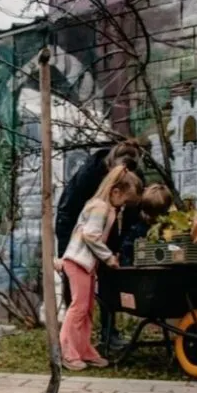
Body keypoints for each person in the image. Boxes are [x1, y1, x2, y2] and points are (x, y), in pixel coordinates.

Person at [55, 140, 143, 349]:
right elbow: (68, 211)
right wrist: (68, 251)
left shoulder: (135, 177)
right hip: (79, 228)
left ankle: (108, 332)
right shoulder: (90, 172)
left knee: (109, 278)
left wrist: (122, 249)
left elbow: (132, 215)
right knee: (78, 294)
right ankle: (70, 340)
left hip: (105, 227)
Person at [117, 183, 174, 267]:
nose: (154, 216)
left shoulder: (171, 229)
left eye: (159, 212)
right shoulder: (138, 229)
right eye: (151, 211)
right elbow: (126, 251)